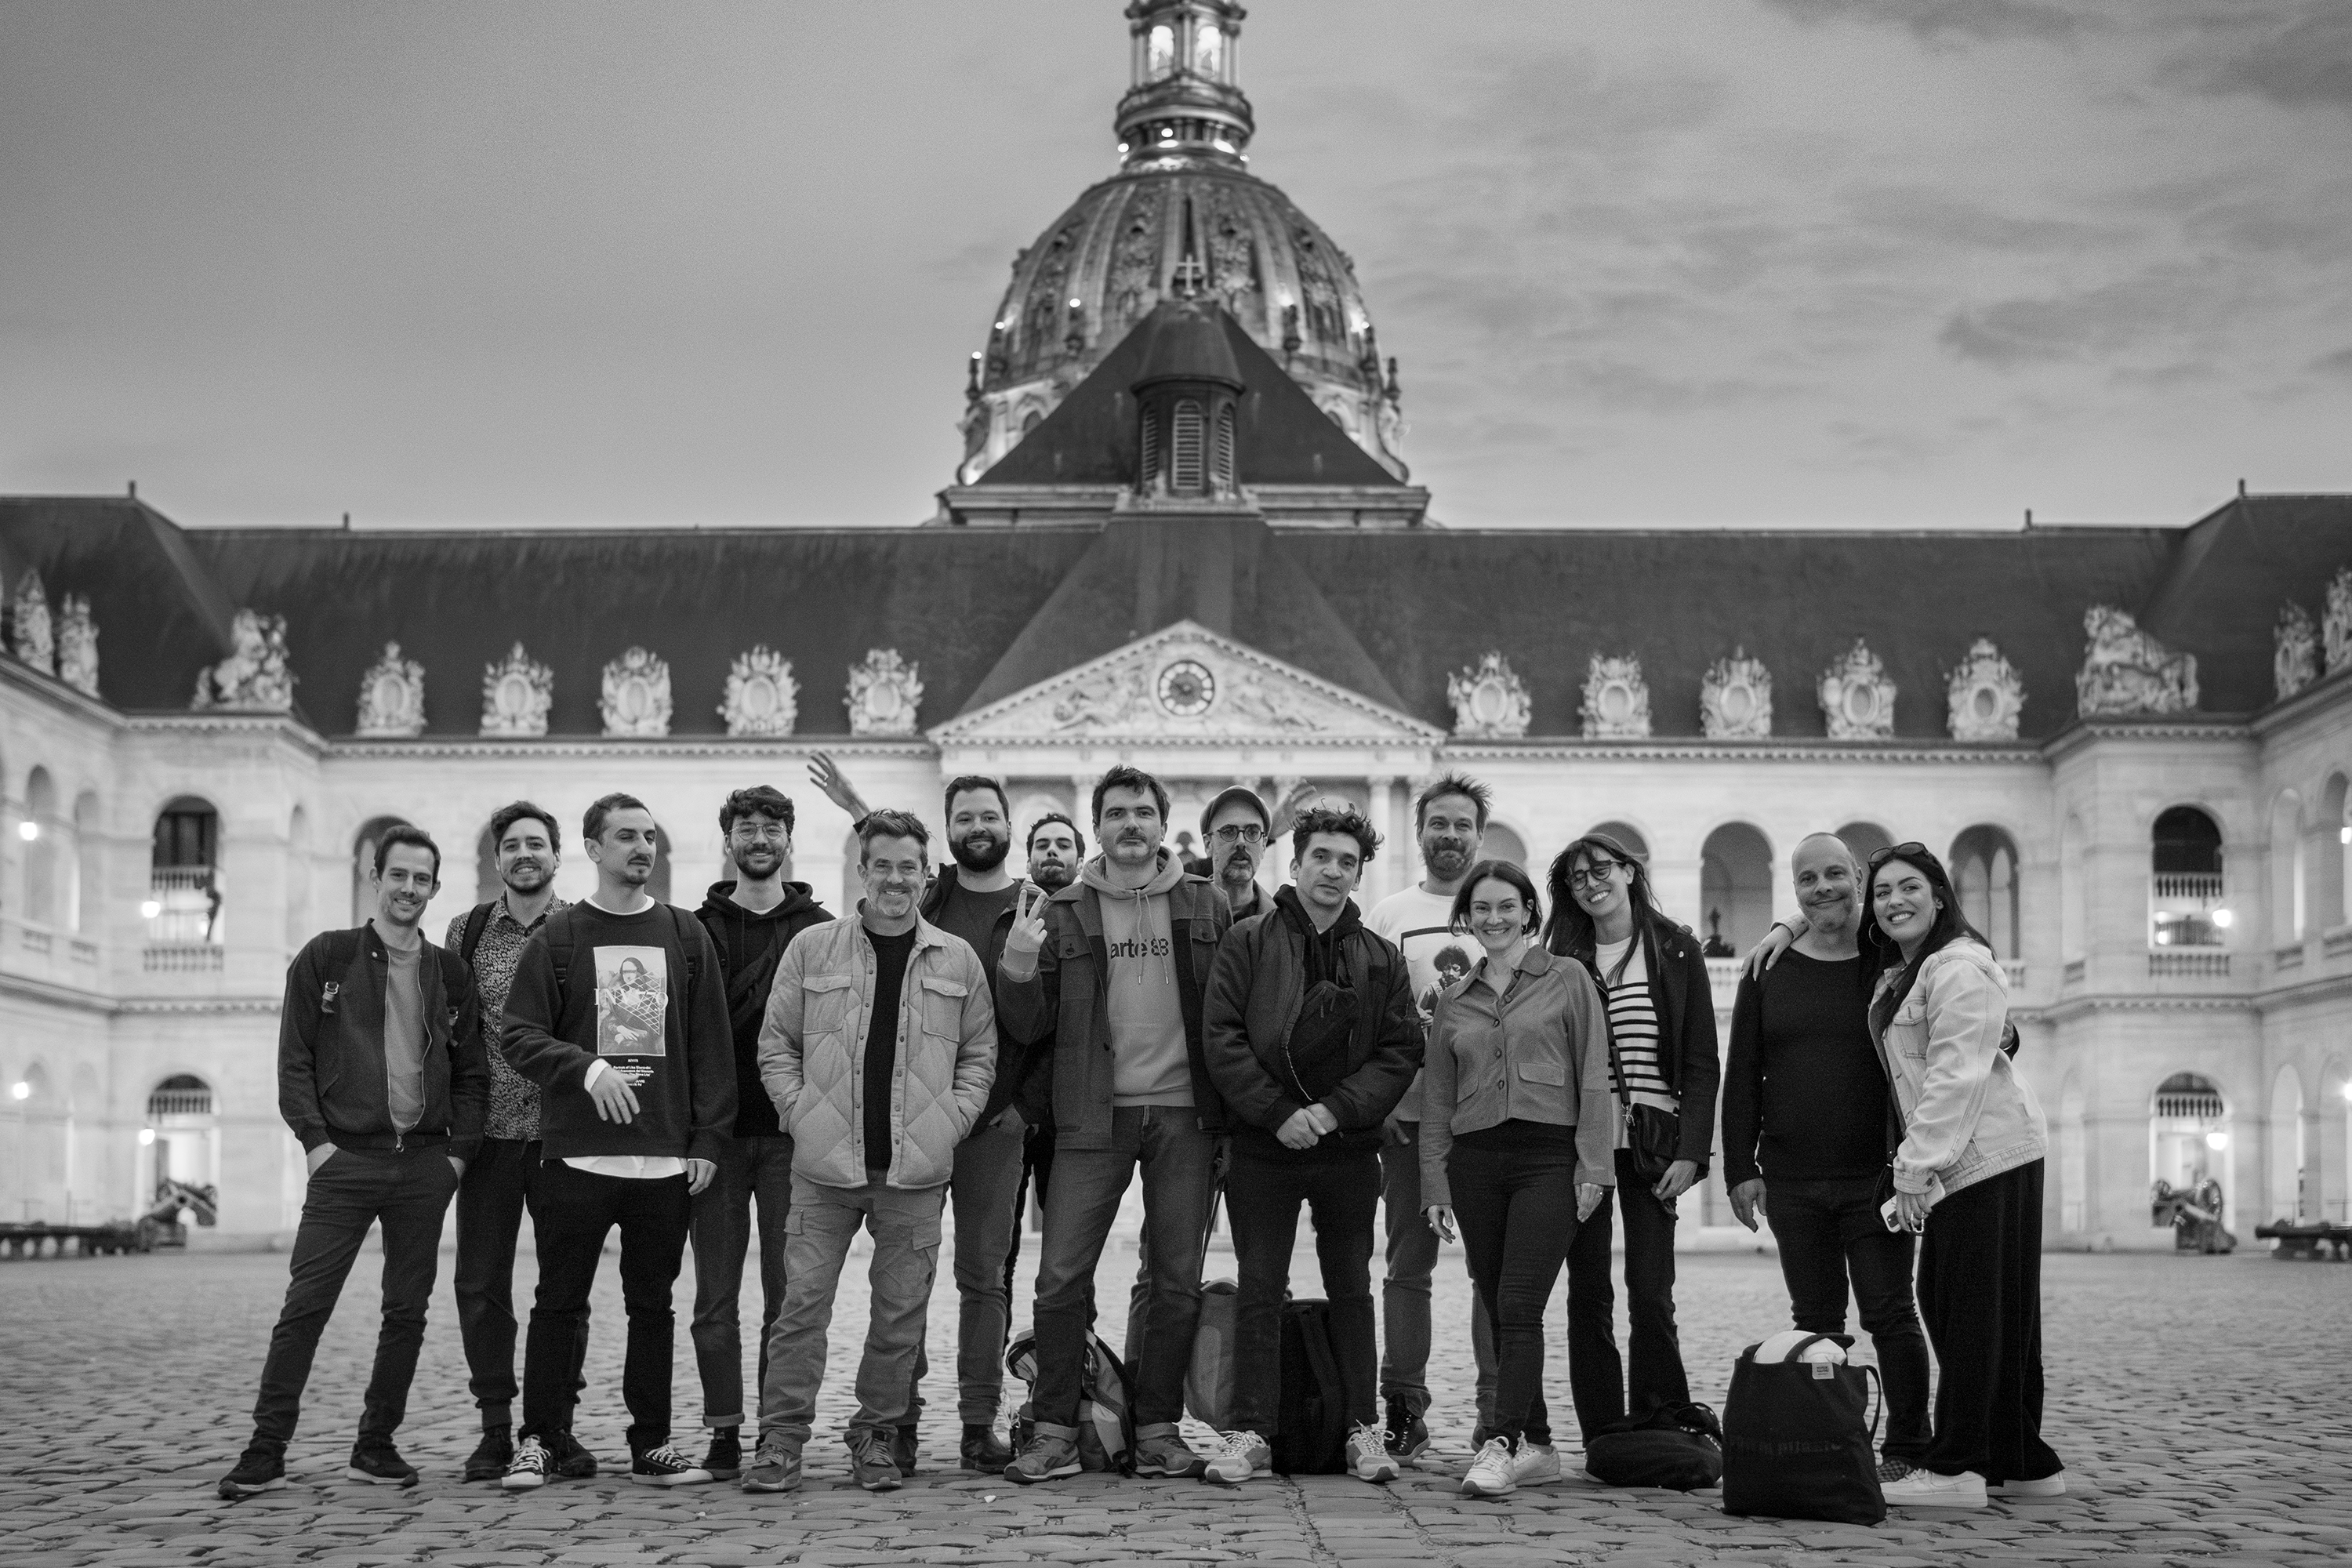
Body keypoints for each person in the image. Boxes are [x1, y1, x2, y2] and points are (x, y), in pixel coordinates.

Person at [219, 825, 487, 1498]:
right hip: (345, 1162)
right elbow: (294, 1060)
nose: (409, 889)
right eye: (398, 876)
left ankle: (376, 1443)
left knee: (407, 1312)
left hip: (424, 1165)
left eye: (422, 879)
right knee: (305, 1306)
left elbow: (473, 1074)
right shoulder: (327, 957)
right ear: (375, 877)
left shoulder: (449, 973)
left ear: (433, 886)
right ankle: (267, 1445)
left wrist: (456, 1156)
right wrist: (316, 1144)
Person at [742, 809, 998, 1494]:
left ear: (925, 873)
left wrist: (952, 1120)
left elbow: (979, 1056)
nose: (894, 878)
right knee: (801, 1309)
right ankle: (781, 1439)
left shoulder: (957, 960)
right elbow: (777, 1047)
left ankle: (878, 1435)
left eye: (907, 866)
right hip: (824, 1170)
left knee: (898, 1318)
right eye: (881, 865)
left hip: (914, 1173)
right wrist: (800, 1115)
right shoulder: (813, 950)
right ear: (862, 870)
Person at [996, 763, 1234, 1484]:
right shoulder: (1063, 910)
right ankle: (1054, 1431)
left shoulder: (1206, 904)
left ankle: (1159, 1428)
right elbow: (1029, 1026)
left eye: (1143, 812)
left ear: (1164, 824)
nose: (1131, 824)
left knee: (1175, 1280)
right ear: (1096, 827)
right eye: (1117, 814)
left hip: (1185, 1117)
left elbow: (1227, 1016)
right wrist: (1016, 962)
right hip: (1091, 1116)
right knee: (1060, 1279)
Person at [497, 793, 735, 1490]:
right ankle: (539, 1438)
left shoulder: (686, 936)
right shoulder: (561, 937)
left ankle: (652, 1443)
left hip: (663, 1159)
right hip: (575, 1155)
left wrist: (708, 1141)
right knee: (558, 1302)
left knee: (652, 1308)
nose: (641, 848)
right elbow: (519, 1034)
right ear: (593, 849)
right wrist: (586, 1067)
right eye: (625, 836)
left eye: (649, 837)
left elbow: (713, 1050)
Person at [1199, 804, 1423, 1485]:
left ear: (1358, 876)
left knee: (1352, 1286)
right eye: (1321, 857)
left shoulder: (1381, 957)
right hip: (1264, 1146)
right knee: (1260, 1287)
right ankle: (1249, 1432)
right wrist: (1276, 1114)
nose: (1333, 870)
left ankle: (1361, 1430)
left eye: (1346, 862)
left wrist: (1330, 1113)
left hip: (1347, 1147)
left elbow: (1398, 1049)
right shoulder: (1248, 941)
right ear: (1294, 865)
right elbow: (1222, 1038)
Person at [1722, 833, 1931, 1481]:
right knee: (1814, 1320)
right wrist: (1740, 1169)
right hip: (1791, 1178)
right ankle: (1830, 1437)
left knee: (1892, 1314)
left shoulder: (1890, 962)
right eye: (1808, 879)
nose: (1824, 888)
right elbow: (1743, 1071)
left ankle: (1908, 1448)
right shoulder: (1768, 969)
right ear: (1795, 887)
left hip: (1877, 1176)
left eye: (1836, 874)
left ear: (1858, 881)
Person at [1861, 843, 2058, 1509]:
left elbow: (1954, 1075)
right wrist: (1788, 926)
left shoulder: (1959, 966)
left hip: (1981, 1156)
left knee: (1967, 1311)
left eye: (1909, 887)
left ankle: (1959, 1467)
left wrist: (1914, 1169)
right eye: (1882, 891)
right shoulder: (1916, 970)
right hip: (1988, 1155)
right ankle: (2020, 1459)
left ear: (1940, 895)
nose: (1894, 901)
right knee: (1992, 1311)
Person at [1420, 860, 1612, 1500]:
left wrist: (1594, 1164)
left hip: (1547, 1158)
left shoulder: (1568, 977)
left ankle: (1501, 1443)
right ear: (1466, 919)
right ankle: (1540, 1445)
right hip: (1475, 1162)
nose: (1495, 918)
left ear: (1530, 911)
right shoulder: (1455, 998)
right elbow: (1438, 1101)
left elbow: (1593, 1072)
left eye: (1507, 906)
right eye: (1482, 909)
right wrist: (1434, 1184)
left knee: (1520, 1302)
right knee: (1496, 1296)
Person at [1543, 833, 1719, 1445]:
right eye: (1575, 878)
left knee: (1651, 1288)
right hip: (1584, 1142)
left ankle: (1659, 1415)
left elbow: (1700, 1058)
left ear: (1628, 871)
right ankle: (1603, 1426)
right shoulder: (1563, 956)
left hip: (1653, 1142)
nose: (1590, 884)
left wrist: (1693, 1151)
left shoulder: (1674, 949)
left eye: (1600, 870)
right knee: (1588, 1289)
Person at [687, 785, 831, 1481]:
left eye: (771, 827)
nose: (759, 838)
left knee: (786, 1298)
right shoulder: (692, 930)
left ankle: (778, 1433)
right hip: (714, 1137)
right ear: (729, 841)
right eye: (746, 827)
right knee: (714, 1297)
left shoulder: (822, 929)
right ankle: (722, 1428)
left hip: (790, 1141)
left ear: (788, 838)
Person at [448, 802, 594, 1484]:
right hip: (493, 1139)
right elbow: (451, 1034)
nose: (525, 853)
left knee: (565, 1290)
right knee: (481, 1284)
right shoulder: (467, 931)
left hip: (567, 1137)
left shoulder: (582, 928)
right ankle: (495, 1427)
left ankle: (554, 1427)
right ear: (497, 858)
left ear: (558, 855)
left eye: (537, 843)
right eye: (512, 845)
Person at [910, 777, 1048, 1474]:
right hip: (918, 1118)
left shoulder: (1040, 908)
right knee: (904, 1272)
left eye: (989, 815)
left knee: (983, 1277)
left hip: (997, 1122)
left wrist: (1024, 1109)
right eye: (965, 817)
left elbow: (1053, 1026)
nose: (978, 826)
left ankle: (975, 1423)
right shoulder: (925, 900)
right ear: (950, 828)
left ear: (1006, 824)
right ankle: (898, 1420)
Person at [1363, 773, 1499, 1460]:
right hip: (1411, 1121)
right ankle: (1403, 1404)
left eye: (1463, 825)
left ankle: (1496, 1413)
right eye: (1438, 823)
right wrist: (1378, 1102)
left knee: (1492, 1273)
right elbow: (1367, 1016)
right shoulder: (1389, 913)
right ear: (1420, 833)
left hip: (1491, 1121)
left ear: (1481, 834)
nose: (1450, 836)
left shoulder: (1504, 912)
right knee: (1406, 1268)